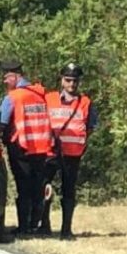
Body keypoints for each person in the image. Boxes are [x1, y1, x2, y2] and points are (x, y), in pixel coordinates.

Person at [0, 60, 53, 236]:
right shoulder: (40, 93)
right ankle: (35, 224)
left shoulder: (13, 97)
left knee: (23, 188)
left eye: (6, 77)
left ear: (15, 76)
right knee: (36, 187)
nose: (4, 81)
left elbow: (1, 125)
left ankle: (23, 227)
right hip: (40, 148)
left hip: (21, 148)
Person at [39, 63, 98, 240]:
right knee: (44, 187)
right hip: (50, 152)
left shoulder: (86, 103)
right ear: (61, 80)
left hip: (72, 154)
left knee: (69, 191)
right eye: (68, 80)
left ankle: (66, 230)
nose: (72, 84)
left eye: (75, 81)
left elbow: (90, 127)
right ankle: (44, 224)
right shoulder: (49, 99)